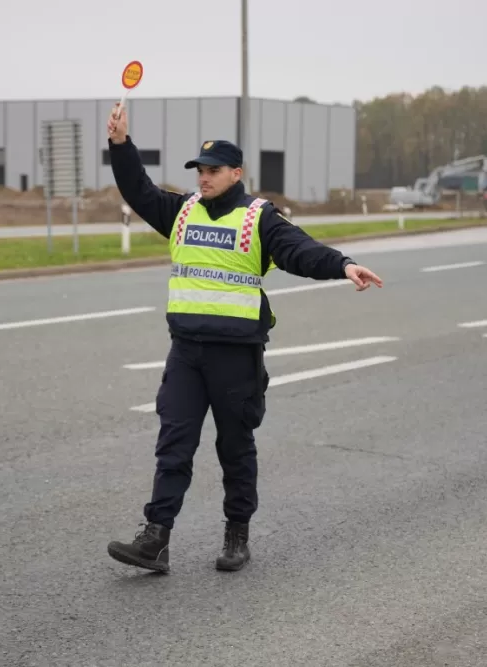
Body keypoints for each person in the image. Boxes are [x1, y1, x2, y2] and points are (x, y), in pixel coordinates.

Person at [104, 105, 383, 573]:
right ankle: (156, 539)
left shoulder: (259, 218)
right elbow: (138, 189)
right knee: (173, 445)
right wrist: (120, 144)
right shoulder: (181, 212)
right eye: (200, 170)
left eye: (213, 171)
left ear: (237, 172)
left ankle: (237, 535)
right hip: (187, 353)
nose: (204, 178)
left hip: (235, 357)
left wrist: (342, 265)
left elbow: (300, 249)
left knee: (234, 449)